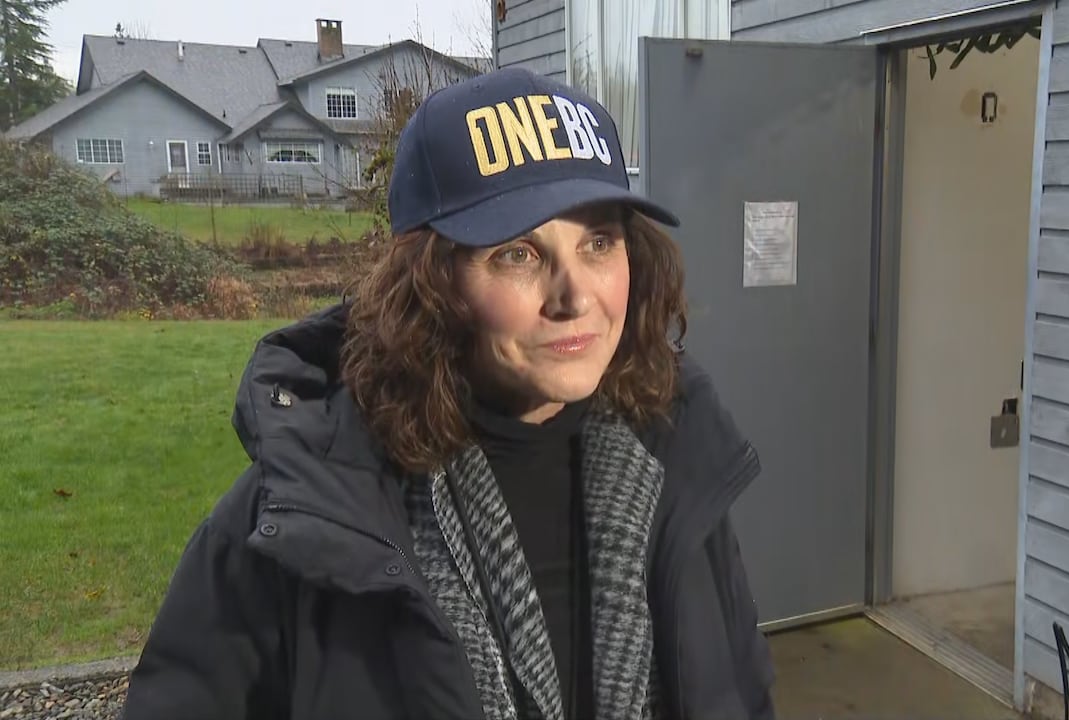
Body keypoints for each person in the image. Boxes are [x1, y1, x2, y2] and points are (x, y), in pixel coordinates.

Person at [121, 66, 775, 720]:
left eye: (598, 242)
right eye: (518, 254)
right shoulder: (308, 514)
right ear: (431, 286)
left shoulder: (677, 462)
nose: (575, 297)